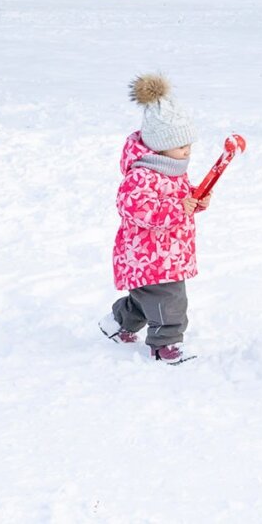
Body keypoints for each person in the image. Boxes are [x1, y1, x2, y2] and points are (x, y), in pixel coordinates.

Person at [98, 74, 210, 365]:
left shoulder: (173, 169)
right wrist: (178, 208)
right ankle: (166, 344)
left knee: (147, 299)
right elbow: (140, 211)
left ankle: (119, 322)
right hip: (150, 256)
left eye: (189, 143)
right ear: (160, 145)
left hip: (169, 253)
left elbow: (178, 200)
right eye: (180, 144)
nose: (188, 150)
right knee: (169, 301)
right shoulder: (140, 176)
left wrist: (195, 201)